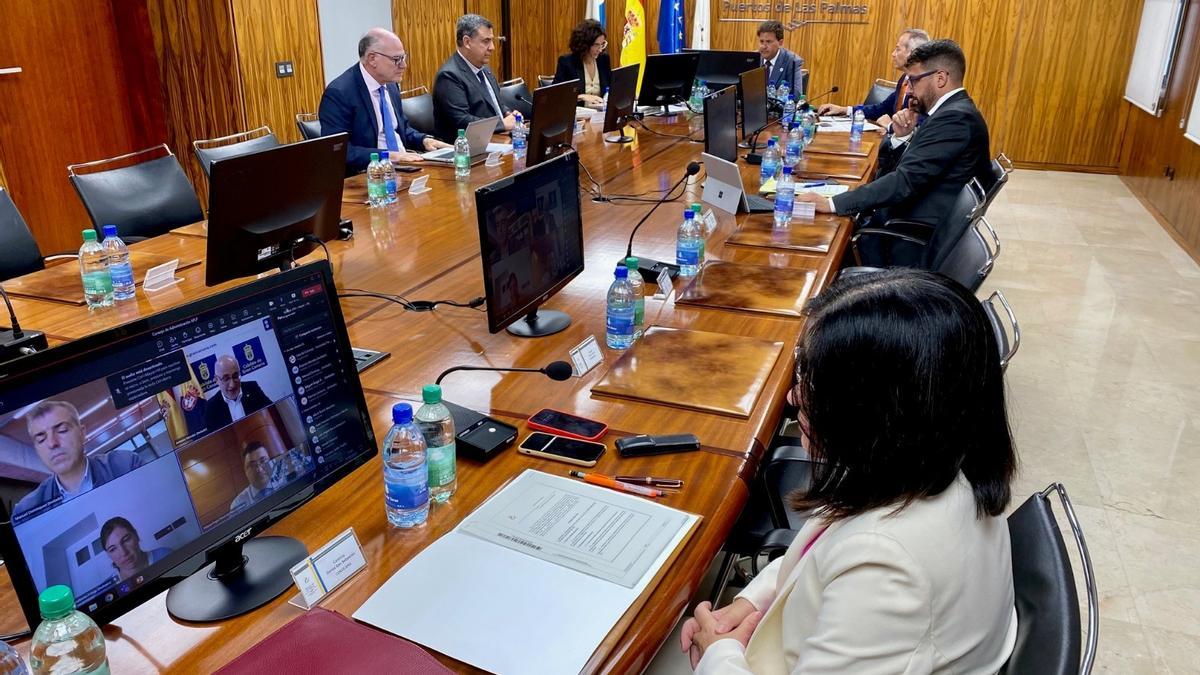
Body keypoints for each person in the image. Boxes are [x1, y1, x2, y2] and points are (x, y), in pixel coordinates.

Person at [678, 269, 1018, 673]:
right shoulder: (938, 458)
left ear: (879, 411)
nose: (793, 396)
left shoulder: (887, 567)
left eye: (815, 384)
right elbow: (817, 554)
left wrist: (717, 652)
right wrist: (751, 602)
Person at [795, 40, 994, 267]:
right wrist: (901, 137)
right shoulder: (952, 112)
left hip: (911, 234)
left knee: (820, 239)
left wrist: (832, 204)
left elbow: (904, 182)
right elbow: (911, 169)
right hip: (909, 217)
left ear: (940, 78)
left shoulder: (955, 119)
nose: (909, 89)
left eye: (914, 80)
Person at [319, 27, 451, 175]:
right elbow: (340, 151)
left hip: (406, 167)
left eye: (403, 57)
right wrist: (389, 155)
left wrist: (424, 140)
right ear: (372, 59)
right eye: (396, 59)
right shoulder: (340, 93)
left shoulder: (391, 85)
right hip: (370, 176)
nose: (403, 65)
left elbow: (401, 130)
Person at [12, 401, 142, 521]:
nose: (52, 443)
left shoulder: (125, 465)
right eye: (41, 439)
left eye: (62, 430)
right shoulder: (26, 512)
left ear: (82, 433)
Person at [817, 28, 930, 127]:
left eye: (898, 49)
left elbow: (921, 124)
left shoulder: (924, 85)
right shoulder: (904, 79)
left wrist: (890, 126)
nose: (893, 54)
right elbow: (882, 108)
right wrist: (844, 110)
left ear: (912, 53)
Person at [432, 14, 517, 141]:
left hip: (497, 139)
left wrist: (508, 114)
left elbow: (496, 103)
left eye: (492, 41)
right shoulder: (449, 76)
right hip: (466, 149)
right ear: (467, 42)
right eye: (486, 41)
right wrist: (502, 124)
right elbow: (462, 121)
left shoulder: (484, 68)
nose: (492, 47)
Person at [204, 355, 272, 431]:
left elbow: (272, 413)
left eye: (235, 376)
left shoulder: (253, 388)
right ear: (216, 380)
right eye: (226, 379)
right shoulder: (211, 407)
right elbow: (215, 440)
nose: (232, 385)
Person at [554, 19, 611, 107]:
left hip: (600, 114)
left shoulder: (603, 59)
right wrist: (580, 97)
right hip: (578, 116)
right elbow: (556, 95)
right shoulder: (567, 63)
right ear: (585, 44)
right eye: (596, 45)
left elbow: (609, 88)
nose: (600, 49)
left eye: (602, 44)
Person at [101, 516, 172, 582]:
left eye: (126, 540)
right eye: (113, 549)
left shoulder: (166, 555)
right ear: (108, 554)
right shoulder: (107, 587)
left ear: (136, 535)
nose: (123, 553)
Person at [230, 441, 284, 511]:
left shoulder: (286, 481)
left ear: (270, 461)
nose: (259, 469)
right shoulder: (237, 504)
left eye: (263, 461)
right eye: (252, 465)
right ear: (245, 471)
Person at [756, 20, 804, 96]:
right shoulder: (752, 58)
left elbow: (796, 95)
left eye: (768, 42)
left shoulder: (792, 61)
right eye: (762, 41)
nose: (763, 46)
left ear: (780, 43)